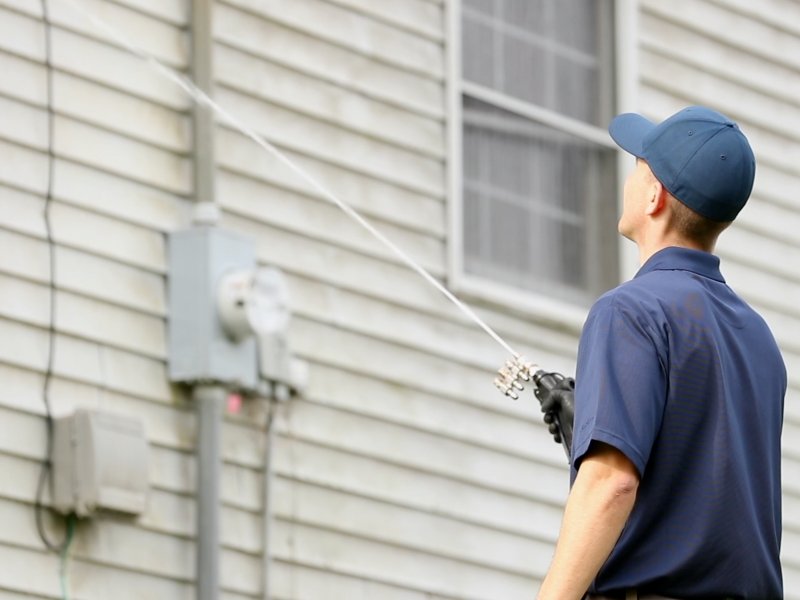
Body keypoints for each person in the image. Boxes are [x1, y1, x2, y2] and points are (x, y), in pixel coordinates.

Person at [537, 106, 786, 599]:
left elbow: (611, 483)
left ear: (654, 196)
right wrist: (598, 422)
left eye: (639, 166)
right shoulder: (760, 340)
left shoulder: (629, 312)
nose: (629, 176)